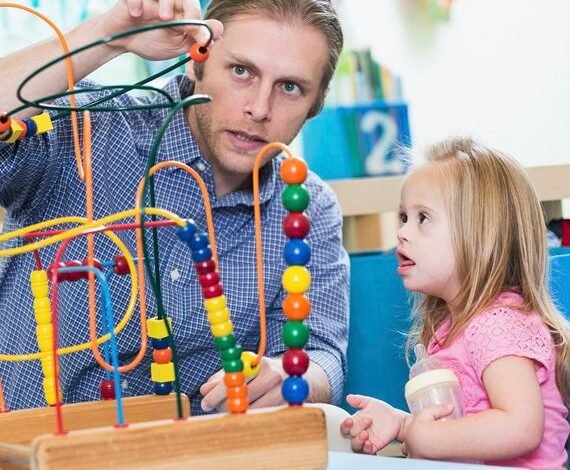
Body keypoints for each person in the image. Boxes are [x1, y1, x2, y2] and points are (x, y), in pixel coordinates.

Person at [0, 0, 349, 415]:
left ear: (317, 101)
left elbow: (324, 354)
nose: (259, 108)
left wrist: (297, 377)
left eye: (290, 87)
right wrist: (109, 37)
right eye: (241, 71)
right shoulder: (85, 126)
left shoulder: (311, 208)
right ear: (195, 61)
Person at [340, 137, 570, 468]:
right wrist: (404, 426)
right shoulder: (451, 329)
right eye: (404, 217)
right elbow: (463, 425)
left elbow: (521, 427)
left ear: (478, 235)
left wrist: (430, 439)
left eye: (422, 219)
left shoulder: (500, 325)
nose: (402, 232)